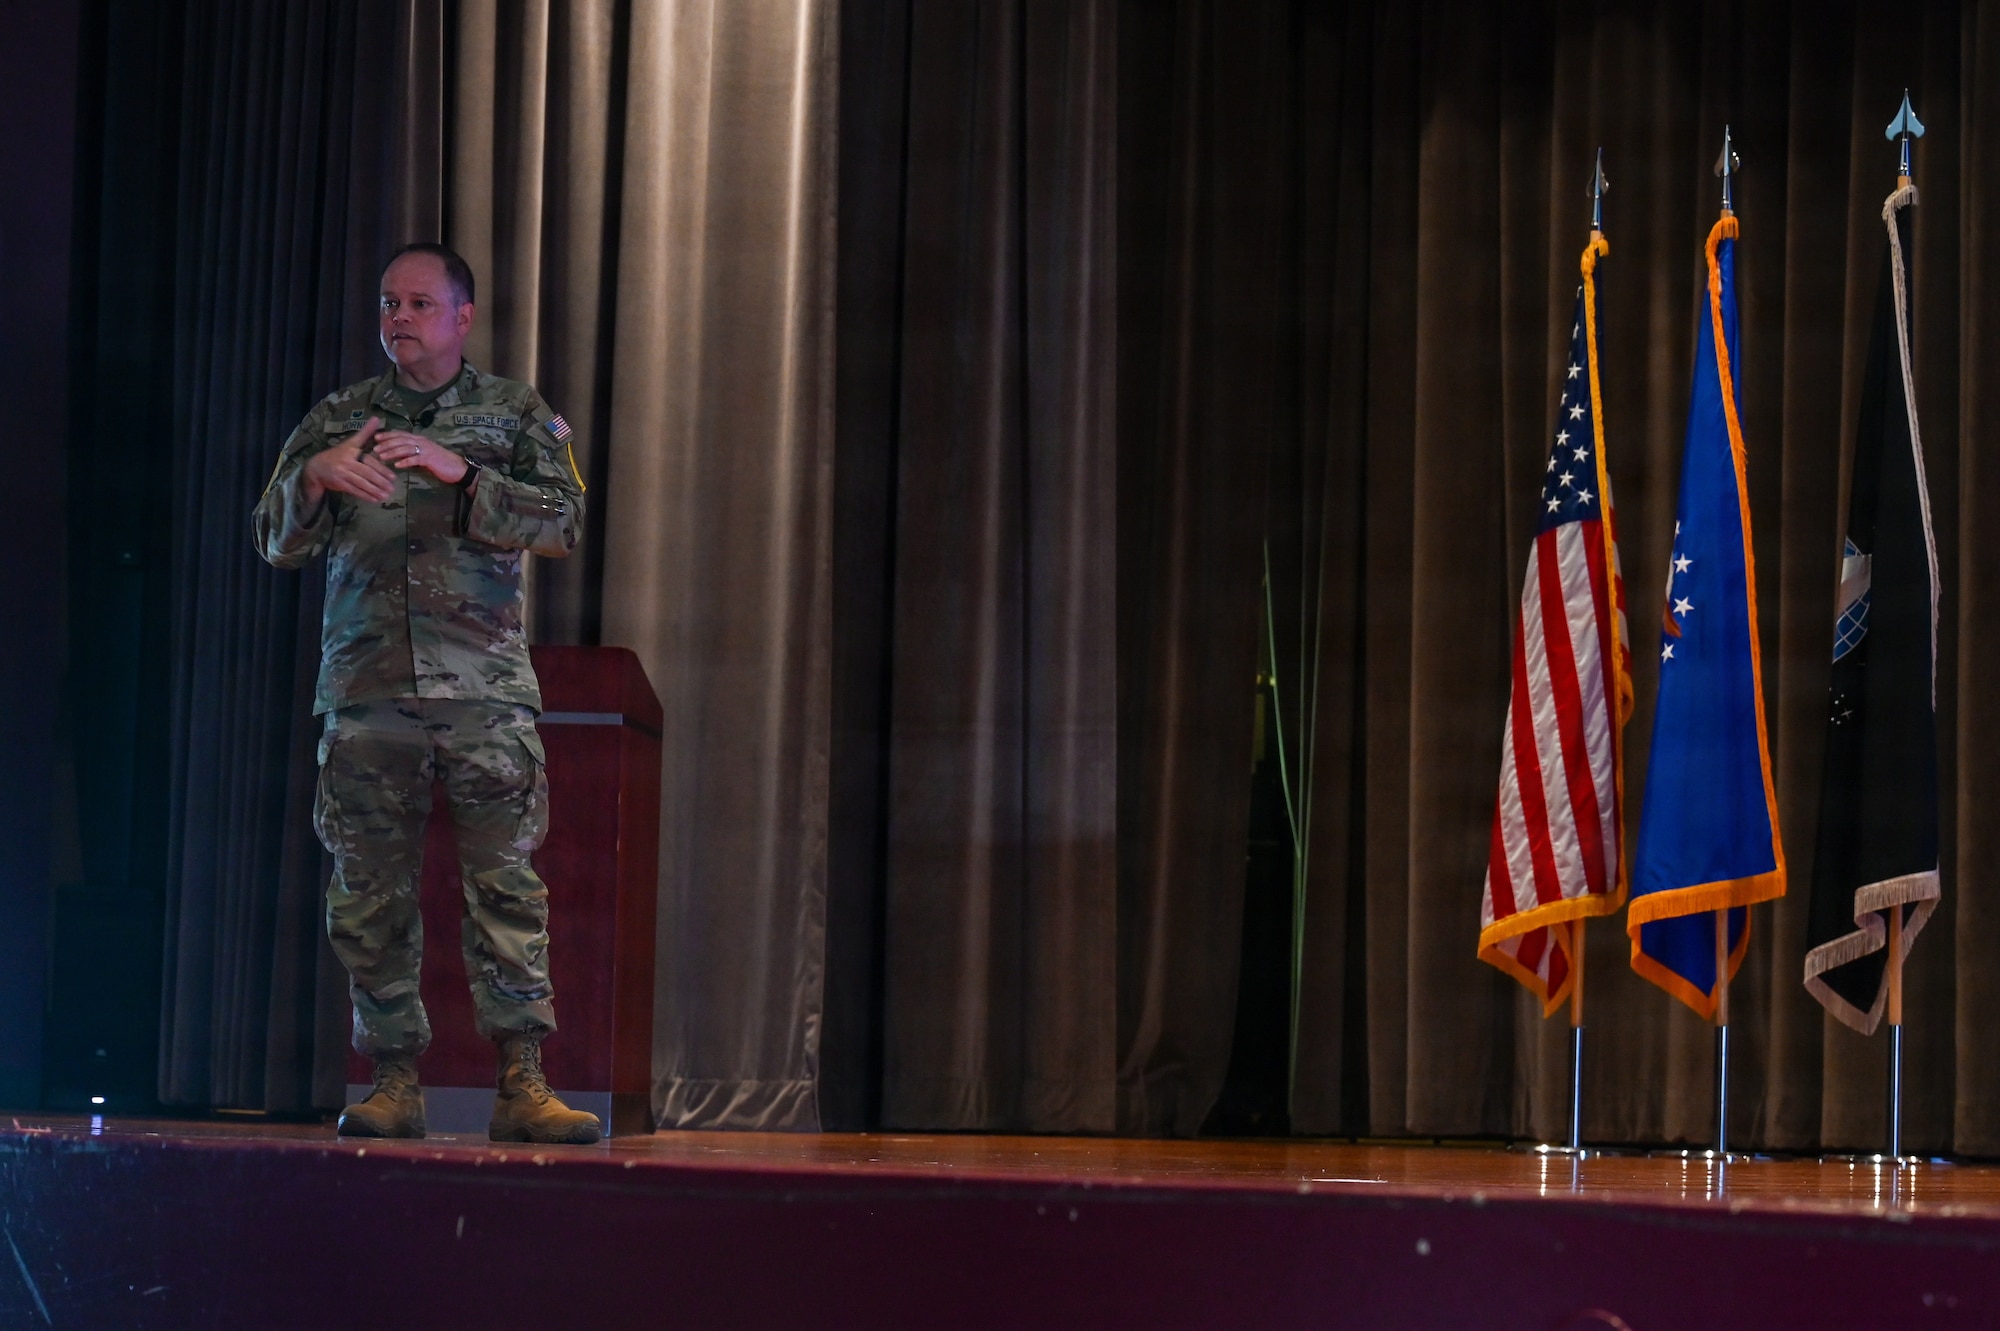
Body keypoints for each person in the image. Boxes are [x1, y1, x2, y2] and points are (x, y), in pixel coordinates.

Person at [253, 242, 599, 1145]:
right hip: (366, 696)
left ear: (461, 316)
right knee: (370, 898)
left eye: (417, 302)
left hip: (483, 696)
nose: (398, 318)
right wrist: (311, 480)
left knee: (506, 891)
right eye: (386, 303)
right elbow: (271, 539)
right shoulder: (340, 417)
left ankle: (523, 1084)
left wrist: (466, 478)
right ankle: (393, 1079)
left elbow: (565, 521)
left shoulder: (512, 411)